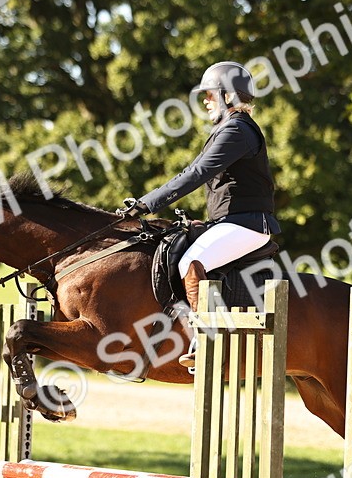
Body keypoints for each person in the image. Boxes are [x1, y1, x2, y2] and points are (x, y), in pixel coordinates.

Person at [119, 61, 279, 368]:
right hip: (232, 222)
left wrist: (147, 204)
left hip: (248, 225)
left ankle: (205, 340)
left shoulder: (237, 130)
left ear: (228, 96)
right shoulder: (228, 129)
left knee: (190, 263)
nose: (205, 100)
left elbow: (195, 174)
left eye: (210, 94)